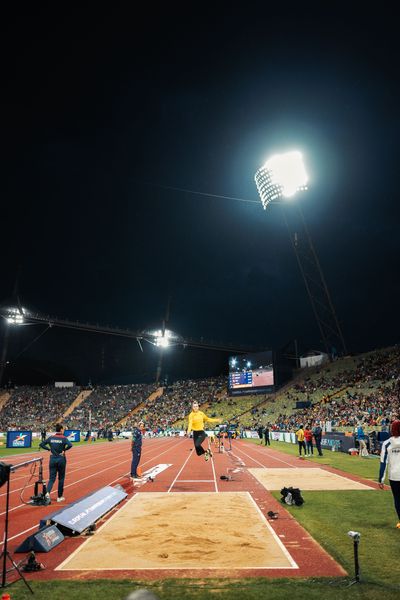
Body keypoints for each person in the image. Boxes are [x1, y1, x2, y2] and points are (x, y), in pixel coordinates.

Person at [39, 423, 72, 503]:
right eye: (63, 429)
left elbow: (41, 444)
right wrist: (64, 450)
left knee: (51, 478)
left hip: (52, 459)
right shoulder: (64, 438)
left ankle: (47, 493)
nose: (64, 430)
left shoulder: (51, 438)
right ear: (61, 429)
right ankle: (59, 497)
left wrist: (48, 449)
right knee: (61, 478)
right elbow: (70, 445)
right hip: (61, 459)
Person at [378, 419, 400, 529]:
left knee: (397, 499)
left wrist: (381, 479)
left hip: (394, 476)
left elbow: (383, 463)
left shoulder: (387, 443)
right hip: (395, 475)